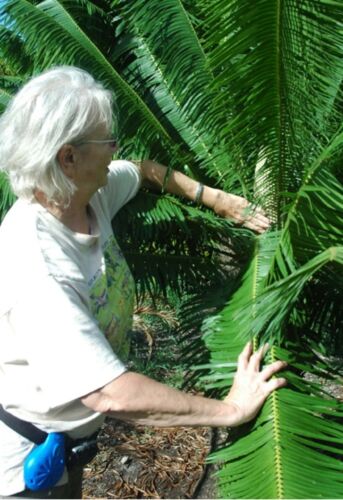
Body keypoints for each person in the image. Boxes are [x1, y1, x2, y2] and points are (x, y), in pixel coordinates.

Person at [0, 66, 286, 498]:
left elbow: (144, 168)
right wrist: (230, 410)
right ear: (68, 157)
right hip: (25, 471)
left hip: (66, 447)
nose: (116, 147)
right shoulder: (37, 267)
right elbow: (111, 394)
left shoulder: (85, 194)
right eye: (106, 140)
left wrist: (217, 200)